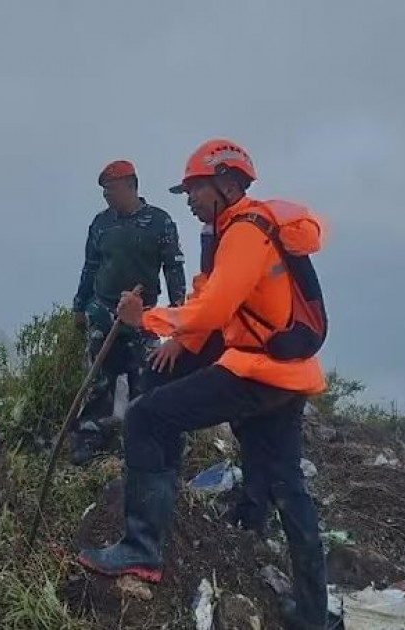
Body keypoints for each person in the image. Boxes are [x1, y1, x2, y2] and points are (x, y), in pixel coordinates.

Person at [77, 140, 330, 630]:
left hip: (256, 371)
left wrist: (145, 319)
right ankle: (312, 612)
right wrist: (182, 341)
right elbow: (211, 297)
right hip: (287, 372)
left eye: (195, 188)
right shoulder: (237, 229)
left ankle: (141, 549)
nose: (189, 198)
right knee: (287, 485)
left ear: (227, 184)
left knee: (147, 417)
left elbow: (214, 309)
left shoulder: (244, 232)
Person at [69, 159, 186, 466]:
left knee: (145, 378)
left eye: (111, 189)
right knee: (99, 379)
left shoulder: (159, 222)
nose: (106, 195)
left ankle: (140, 439)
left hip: (143, 316)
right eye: (104, 190)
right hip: (102, 311)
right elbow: (90, 266)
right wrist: (80, 305)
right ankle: (91, 435)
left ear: (130, 186)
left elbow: (173, 269)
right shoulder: (101, 223)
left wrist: (179, 316)